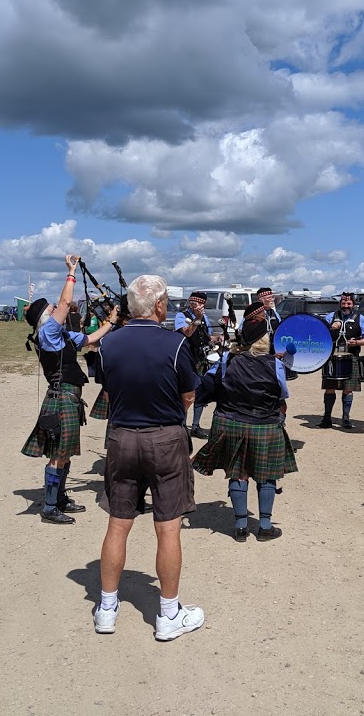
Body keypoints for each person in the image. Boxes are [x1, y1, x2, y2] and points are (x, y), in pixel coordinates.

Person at [92, 274, 204, 641]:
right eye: (166, 301)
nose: (168, 306)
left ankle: (107, 608)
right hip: (165, 437)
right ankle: (168, 614)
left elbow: (108, 388)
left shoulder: (108, 344)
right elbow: (188, 395)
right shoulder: (174, 344)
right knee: (168, 525)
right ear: (157, 305)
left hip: (121, 436)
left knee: (118, 522)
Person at [22, 255, 118, 525]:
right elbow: (65, 302)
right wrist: (71, 273)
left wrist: (111, 321)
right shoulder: (48, 334)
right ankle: (50, 506)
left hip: (69, 398)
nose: (58, 310)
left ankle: (60, 497)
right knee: (58, 454)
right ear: (46, 317)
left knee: (64, 453)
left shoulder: (63, 336)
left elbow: (90, 339)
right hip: (61, 397)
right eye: (52, 309)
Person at [193, 301, 297, 542]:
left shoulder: (228, 360)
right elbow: (281, 395)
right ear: (264, 340)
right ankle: (265, 526)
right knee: (267, 474)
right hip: (265, 425)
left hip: (231, 423)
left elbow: (208, 384)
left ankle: (240, 527)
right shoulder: (276, 365)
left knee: (238, 472)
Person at [317, 292, 364, 429]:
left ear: (353, 304)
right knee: (329, 387)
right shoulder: (331, 317)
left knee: (348, 389)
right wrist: (331, 328)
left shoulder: (361, 318)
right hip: (332, 357)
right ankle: (327, 418)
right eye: (343, 303)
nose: (345, 306)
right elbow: (320, 333)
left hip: (351, 356)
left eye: (348, 303)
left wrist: (358, 342)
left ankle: (346, 418)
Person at [175, 291, 222, 439]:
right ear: (191, 303)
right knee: (186, 392)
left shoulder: (205, 317)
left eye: (202, 304)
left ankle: (195, 426)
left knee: (200, 392)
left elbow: (207, 336)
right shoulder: (181, 316)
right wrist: (197, 318)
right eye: (196, 303)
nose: (199, 306)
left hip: (201, 358)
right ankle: (182, 425)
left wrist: (218, 338)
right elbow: (187, 333)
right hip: (186, 358)